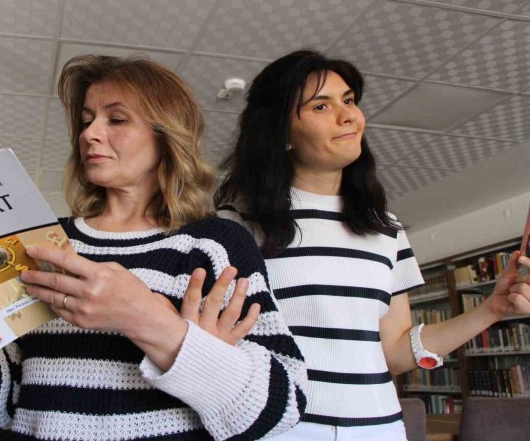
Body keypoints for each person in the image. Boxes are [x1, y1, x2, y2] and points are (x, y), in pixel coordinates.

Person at [0, 55, 308, 440]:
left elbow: (282, 404)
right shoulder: (45, 242)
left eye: (116, 119)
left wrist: (146, 319)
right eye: (87, 120)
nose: (89, 134)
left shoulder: (216, 242)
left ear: (167, 135)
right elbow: (11, 391)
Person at [214, 50, 530, 441]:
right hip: (278, 431)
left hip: (379, 429)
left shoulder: (386, 229)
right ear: (281, 134)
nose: (348, 115)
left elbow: (394, 352)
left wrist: (492, 310)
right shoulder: (235, 225)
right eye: (321, 106)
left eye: (348, 100)